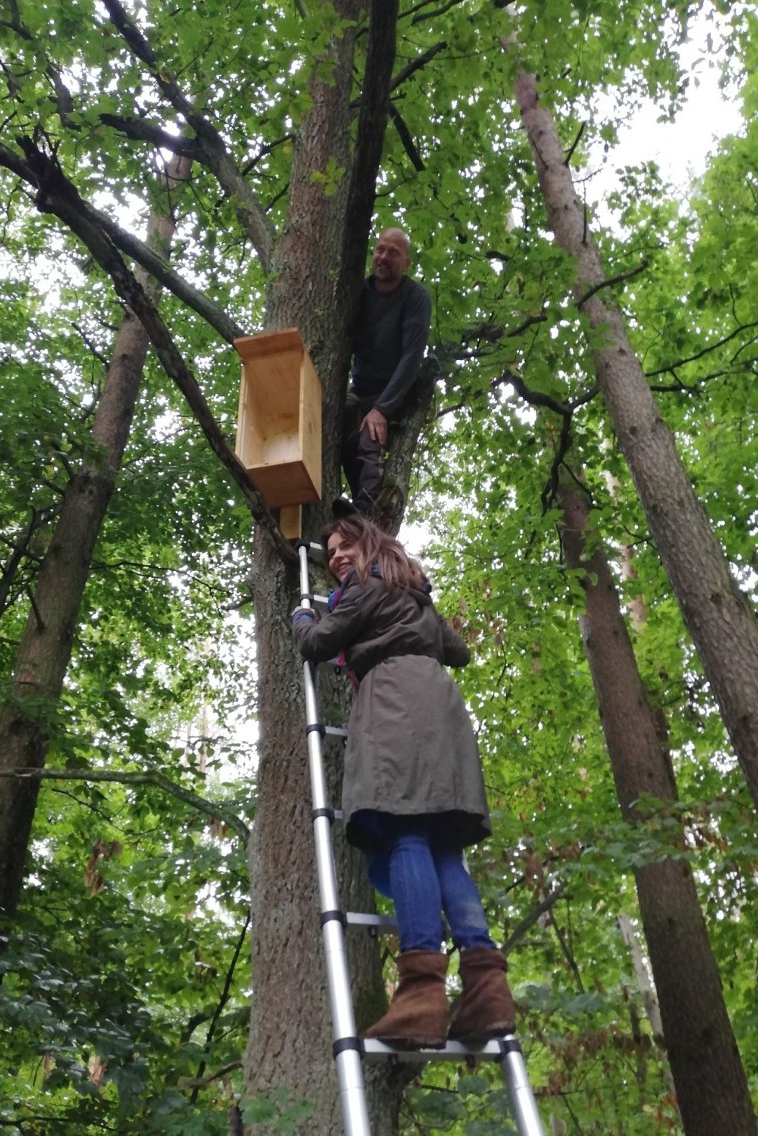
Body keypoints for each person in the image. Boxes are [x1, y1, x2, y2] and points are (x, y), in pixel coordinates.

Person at [291, 516, 515, 1049]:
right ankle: (487, 990)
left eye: (346, 546)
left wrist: (303, 616)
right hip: (440, 705)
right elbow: (458, 651)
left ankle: (420, 996)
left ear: (370, 546)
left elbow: (319, 642)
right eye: (331, 552)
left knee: (406, 833)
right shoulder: (413, 592)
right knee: (442, 848)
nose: (338, 556)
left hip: (393, 700)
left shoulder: (362, 587)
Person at [337, 227, 432, 517]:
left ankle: (365, 513)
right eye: (380, 249)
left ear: (406, 263)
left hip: (394, 391)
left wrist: (382, 408)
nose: (384, 257)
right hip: (360, 388)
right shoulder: (359, 292)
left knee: (369, 439)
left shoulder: (415, 298)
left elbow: (411, 358)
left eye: (394, 252)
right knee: (336, 427)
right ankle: (353, 502)